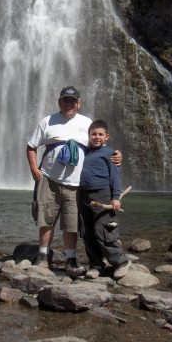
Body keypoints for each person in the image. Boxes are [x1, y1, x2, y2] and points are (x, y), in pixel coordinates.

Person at [27, 86, 121, 278]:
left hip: (76, 184)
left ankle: (70, 260)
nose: (68, 104)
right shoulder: (47, 121)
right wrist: (35, 170)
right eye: (65, 100)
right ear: (59, 101)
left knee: (71, 224)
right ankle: (43, 258)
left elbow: (98, 145)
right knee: (46, 220)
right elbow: (31, 146)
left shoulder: (87, 124)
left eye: (72, 101)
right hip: (49, 179)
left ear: (79, 103)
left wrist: (117, 154)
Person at [78, 119, 131, 280]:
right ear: (88, 135)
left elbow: (115, 177)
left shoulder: (110, 154)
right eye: (93, 134)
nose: (97, 137)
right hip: (84, 195)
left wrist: (115, 197)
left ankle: (120, 262)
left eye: (100, 134)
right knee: (87, 232)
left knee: (104, 231)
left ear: (106, 137)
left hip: (103, 195)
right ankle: (96, 265)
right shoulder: (84, 152)